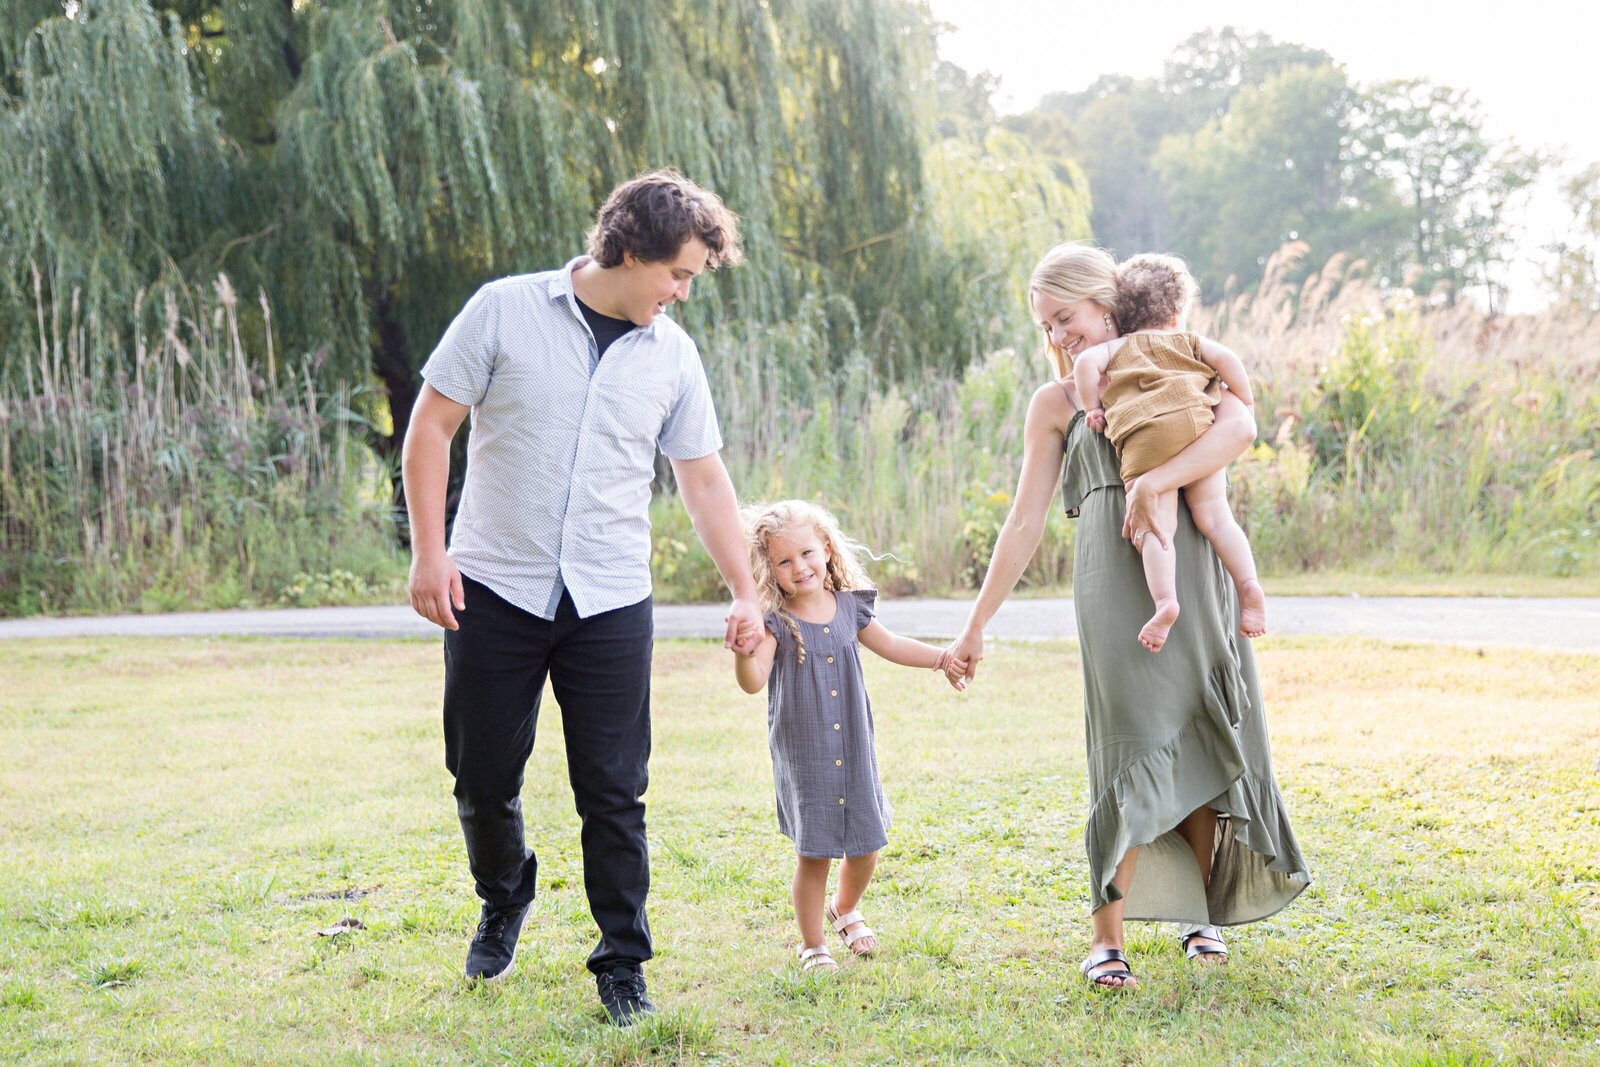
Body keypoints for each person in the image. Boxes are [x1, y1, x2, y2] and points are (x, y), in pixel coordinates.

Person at [401, 169, 762, 1025]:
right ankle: (504, 893)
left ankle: (622, 961)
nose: (682, 293)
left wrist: (746, 588)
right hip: (493, 586)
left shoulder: (672, 352)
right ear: (628, 249)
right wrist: (428, 553)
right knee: (482, 776)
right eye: (676, 274)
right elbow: (429, 428)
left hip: (609, 597)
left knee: (614, 787)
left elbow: (704, 482)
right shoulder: (504, 309)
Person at [946, 243, 1310, 991]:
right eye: (1045, 326)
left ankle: (1200, 914)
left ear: (1106, 303)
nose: (1057, 337)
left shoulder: (1181, 363)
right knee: (1128, 744)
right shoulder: (1058, 404)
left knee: (1200, 732)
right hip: (1113, 582)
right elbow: (1022, 524)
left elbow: (1240, 428)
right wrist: (977, 622)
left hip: (1197, 572)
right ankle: (1106, 937)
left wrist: (1157, 483)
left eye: (1066, 317)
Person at [732, 500, 967, 972]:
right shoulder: (776, 622)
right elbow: (754, 680)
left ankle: (844, 906)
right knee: (815, 853)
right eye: (784, 561)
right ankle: (813, 943)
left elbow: (893, 645)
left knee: (865, 845)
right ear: (769, 570)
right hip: (807, 755)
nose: (799, 567)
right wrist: (743, 652)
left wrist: (942, 658)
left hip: (854, 749)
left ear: (826, 549)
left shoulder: (848, 607)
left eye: (806, 553)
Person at [1072, 252, 1267, 651]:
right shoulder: (1189, 341)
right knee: (1216, 516)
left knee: (1156, 527)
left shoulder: (1118, 347)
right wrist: (1244, 399)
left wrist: (1093, 407)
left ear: (1120, 316)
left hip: (1147, 437)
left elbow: (1086, 364)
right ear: (1176, 313)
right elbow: (1227, 359)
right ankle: (1248, 585)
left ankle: (1165, 602)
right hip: (1197, 427)